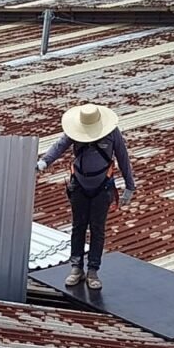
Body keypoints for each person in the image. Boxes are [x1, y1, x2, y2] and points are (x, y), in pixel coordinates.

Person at [37, 103, 135, 290]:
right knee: (78, 227)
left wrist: (129, 187)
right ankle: (76, 268)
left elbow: (123, 158)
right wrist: (43, 163)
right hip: (79, 186)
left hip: (102, 187)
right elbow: (59, 146)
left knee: (97, 229)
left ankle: (92, 270)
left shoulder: (112, 133)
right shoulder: (75, 132)